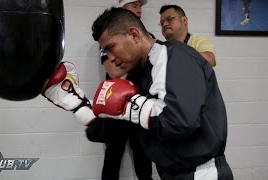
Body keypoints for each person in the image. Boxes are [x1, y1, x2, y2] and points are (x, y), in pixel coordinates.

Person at [90, 7, 234, 180]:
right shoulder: (138, 73)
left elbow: (179, 122)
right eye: (106, 52)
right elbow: (102, 133)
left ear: (134, 35)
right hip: (171, 172)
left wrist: (130, 106)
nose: (110, 57)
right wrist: (76, 103)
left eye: (111, 48)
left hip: (200, 172)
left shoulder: (176, 56)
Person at [93, 1, 153, 179]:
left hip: (139, 104)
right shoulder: (107, 39)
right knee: (113, 156)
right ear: (122, 8)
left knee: (144, 156)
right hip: (115, 106)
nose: (139, 8)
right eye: (134, 4)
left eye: (140, 5)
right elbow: (113, 70)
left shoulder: (146, 36)